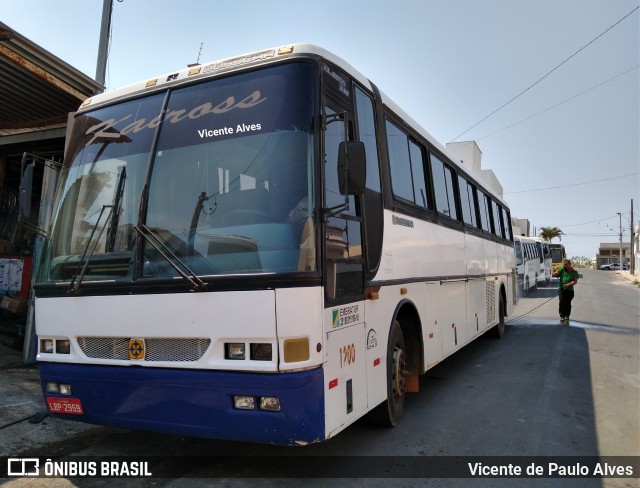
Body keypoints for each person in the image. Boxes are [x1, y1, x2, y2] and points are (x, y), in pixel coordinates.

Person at [552, 259, 579, 325]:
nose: (565, 266)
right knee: (561, 301)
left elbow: (575, 282)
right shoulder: (562, 269)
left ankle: (567, 315)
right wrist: (554, 274)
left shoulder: (574, 272)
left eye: (566, 265)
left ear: (570, 264)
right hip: (561, 288)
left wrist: (568, 284)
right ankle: (562, 316)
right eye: (564, 265)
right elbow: (556, 274)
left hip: (570, 290)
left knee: (568, 303)